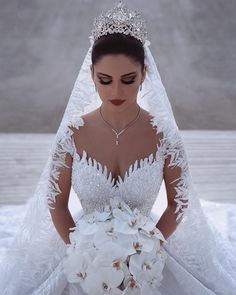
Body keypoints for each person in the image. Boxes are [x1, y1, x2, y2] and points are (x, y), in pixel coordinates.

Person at [0, 1, 236, 294]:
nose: (116, 92)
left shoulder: (164, 135)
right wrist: (85, 253)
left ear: (144, 74)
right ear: (91, 76)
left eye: (128, 80)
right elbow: (56, 203)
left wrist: (146, 252)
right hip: (81, 249)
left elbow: (178, 203)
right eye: (105, 80)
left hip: (148, 249)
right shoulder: (72, 134)